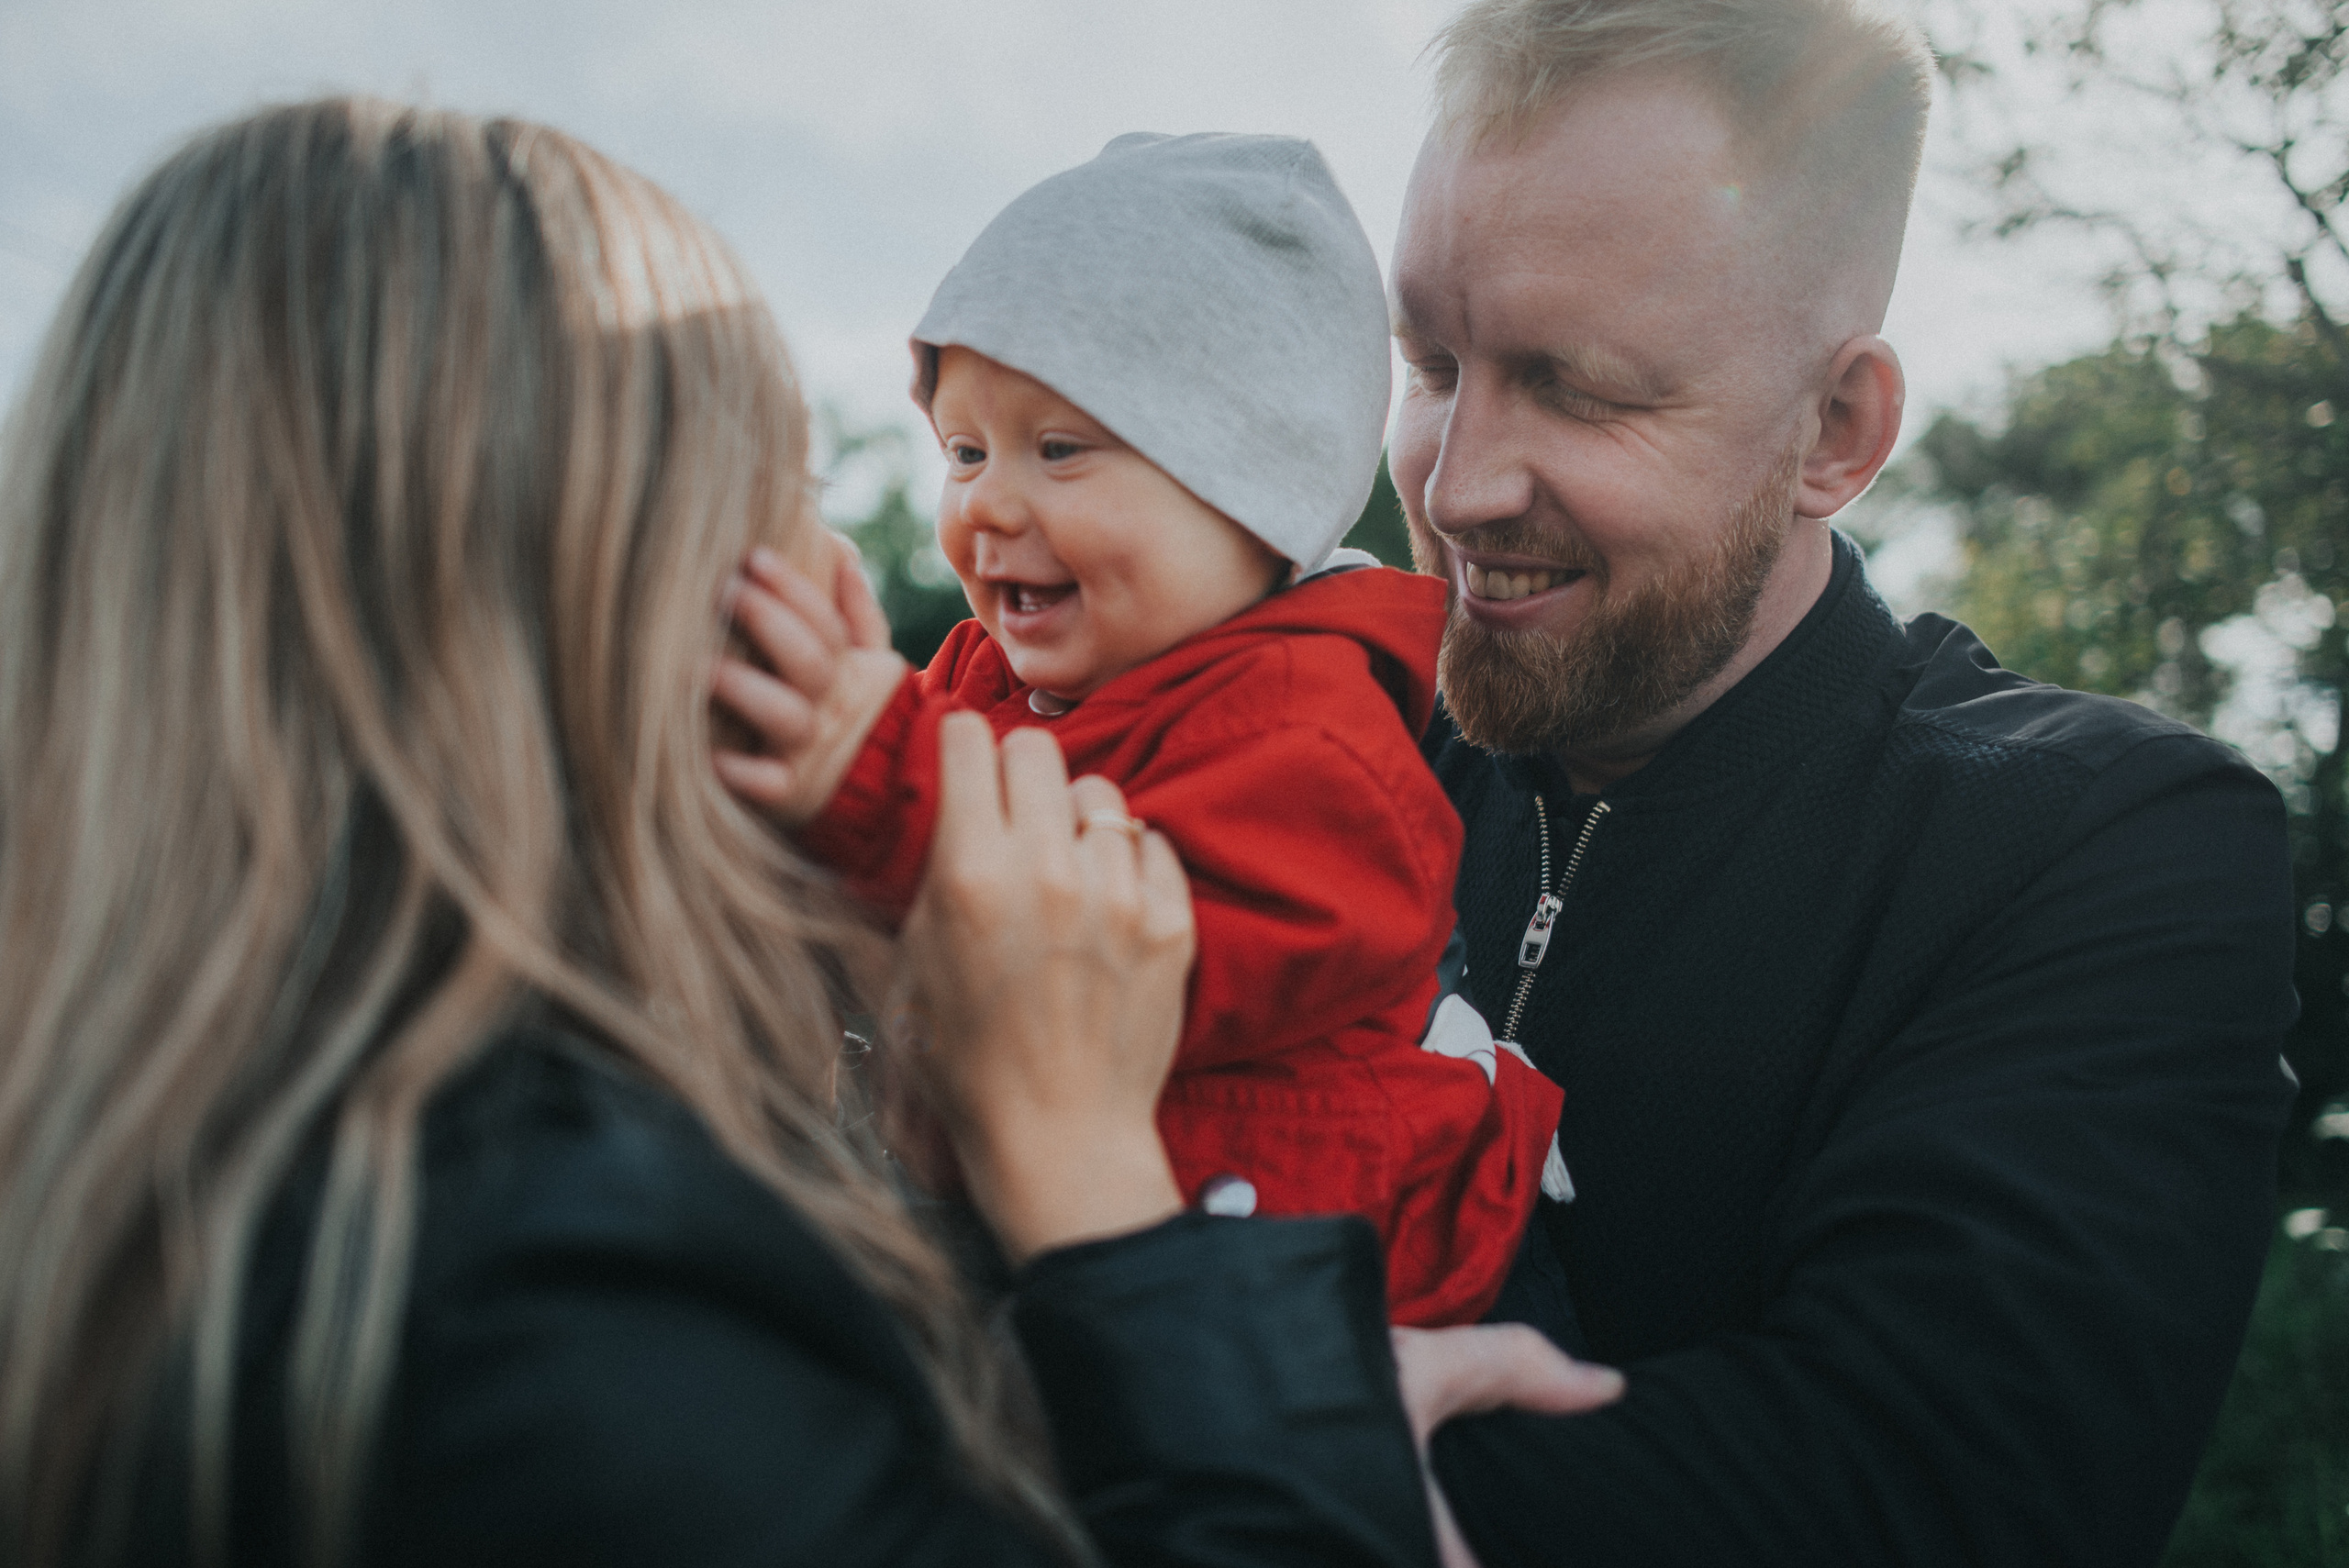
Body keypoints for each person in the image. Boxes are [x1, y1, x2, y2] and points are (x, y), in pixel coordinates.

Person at [0, 97, 1620, 1568]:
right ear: (562, 598)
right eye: (766, 485)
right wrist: (1150, 1275)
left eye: (1059, 449)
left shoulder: (326, 1187)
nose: (869, 550)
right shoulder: (554, 1331)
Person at [1384, 0, 2303, 1563]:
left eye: (1580, 386)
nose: (1456, 481)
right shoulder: (1333, 745)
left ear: (1835, 430)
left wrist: (1213, 1435)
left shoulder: (2107, 846)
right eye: (1429, 360)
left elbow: (1927, 1495)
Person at [715, 132, 1565, 1329]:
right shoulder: (985, 683)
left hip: (1320, 1291)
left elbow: (1113, 940)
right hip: (1084, 1243)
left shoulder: (1322, 744)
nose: (987, 503)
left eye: (1060, 449)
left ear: (1250, 491)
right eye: (965, 450)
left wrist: (868, 776)